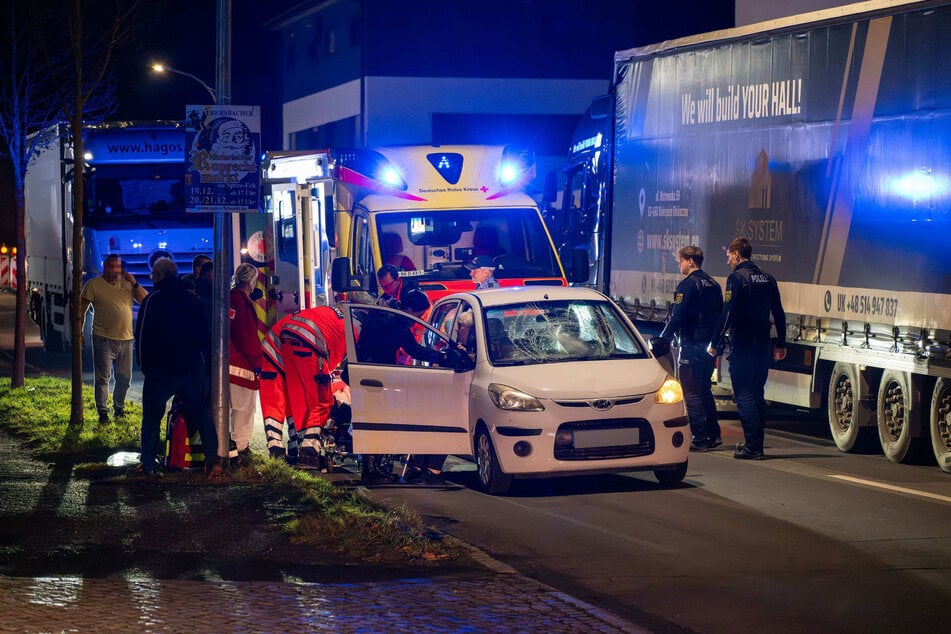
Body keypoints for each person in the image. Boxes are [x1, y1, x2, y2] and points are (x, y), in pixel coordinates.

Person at [135, 257, 219, 480]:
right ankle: (213, 461)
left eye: (153, 274)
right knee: (201, 415)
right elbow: (205, 335)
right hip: (190, 369)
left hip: (160, 372)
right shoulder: (193, 299)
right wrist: (203, 366)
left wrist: (144, 367)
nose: (152, 278)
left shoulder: (152, 300)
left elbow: (142, 337)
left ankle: (148, 465)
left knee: (152, 418)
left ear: (160, 275)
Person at [708, 237, 787, 460]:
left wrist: (715, 342)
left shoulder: (736, 278)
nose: (727, 261)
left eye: (728, 256)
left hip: (743, 342)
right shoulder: (768, 278)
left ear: (736, 254)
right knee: (757, 391)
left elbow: (728, 313)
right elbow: (779, 312)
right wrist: (781, 342)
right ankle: (756, 443)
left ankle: (753, 447)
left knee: (743, 392)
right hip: (763, 342)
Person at [659, 246, 723, 451]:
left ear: (691, 262)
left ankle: (700, 437)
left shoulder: (687, 285)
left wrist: (663, 339)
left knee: (690, 391)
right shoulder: (713, 284)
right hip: (708, 344)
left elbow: (677, 316)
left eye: (681, 261)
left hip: (692, 343)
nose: (680, 265)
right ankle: (714, 434)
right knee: (704, 388)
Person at [80, 254, 148, 424]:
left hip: (126, 339)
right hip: (103, 338)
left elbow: (145, 300)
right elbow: (81, 310)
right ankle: (103, 411)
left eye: (117, 266)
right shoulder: (93, 285)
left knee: (124, 378)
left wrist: (134, 282)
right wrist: (79, 333)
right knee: (103, 378)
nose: (115, 270)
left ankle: (119, 407)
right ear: (105, 268)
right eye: (111, 266)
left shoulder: (127, 285)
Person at [279, 306, 348, 470]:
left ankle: (299, 445)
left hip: (287, 337)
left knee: (300, 398)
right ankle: (309, 453)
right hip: (309, 344)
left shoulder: (333, 314)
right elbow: (343, 356)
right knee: (321, 399)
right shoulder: (354, 326)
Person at [229, 264, 264, 468]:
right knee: (244, 409)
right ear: (251, 281)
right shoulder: (241, 301)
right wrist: (256, 361)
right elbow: (247, 337)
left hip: (228, 364)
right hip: (242, 366)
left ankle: (229, 448)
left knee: (229, 409)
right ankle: (241, 448)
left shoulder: (230, 298)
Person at [259, 313, 302, 463]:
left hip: (280, 357)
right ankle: (276, 449)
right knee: (274, 404)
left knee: (293, 404)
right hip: (272, 358)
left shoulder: (305, 320)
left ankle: (293, 447)